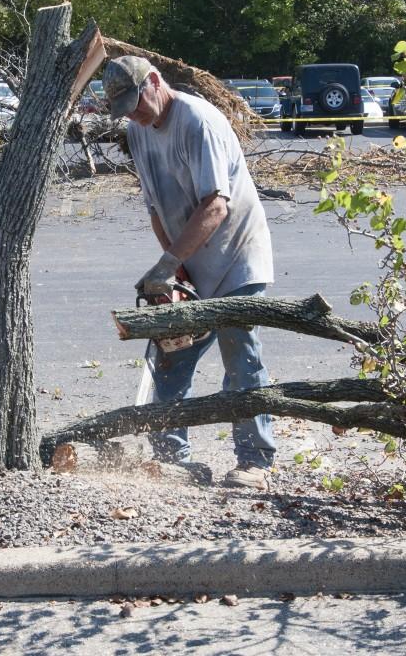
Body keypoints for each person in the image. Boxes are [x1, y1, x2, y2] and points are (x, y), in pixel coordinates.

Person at [102, 56, 276, 490]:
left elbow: (216, 205)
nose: (133, 113)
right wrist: (174, 266)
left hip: (236, 255)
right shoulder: (137, 132)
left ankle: (255, 462)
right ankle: (172, 459)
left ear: (155, 81)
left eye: (136, 101)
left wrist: (166, 264)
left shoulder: (198, 121)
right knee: (172, 354)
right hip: (190, 260)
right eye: (123, 107)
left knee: (240, 357)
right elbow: (156, 207)